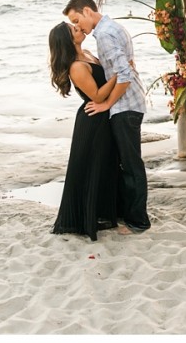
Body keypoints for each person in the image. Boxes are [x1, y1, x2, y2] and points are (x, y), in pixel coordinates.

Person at [63, 0, 151, 232]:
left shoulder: (104, 34)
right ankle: (127, 214)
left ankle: (138, 221)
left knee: (132, 166)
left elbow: (123, 74)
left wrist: (105, 104)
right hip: (128, 104)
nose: (78, 26)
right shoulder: (113, 28)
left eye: (76, 19)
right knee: (127, 165)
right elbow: (120, 68)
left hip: (124, 106)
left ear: (88, 12)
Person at [48, 21, 128, 241]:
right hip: (93, 119)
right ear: (68, 39)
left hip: (104, 116)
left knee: (106, 165)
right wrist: (119, 73)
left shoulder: (89, 54)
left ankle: (105, 213)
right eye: (74, 29)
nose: (79, 28)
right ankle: (85, 218)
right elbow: (98, 96)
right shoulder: (76, 66)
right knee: (90, 168)